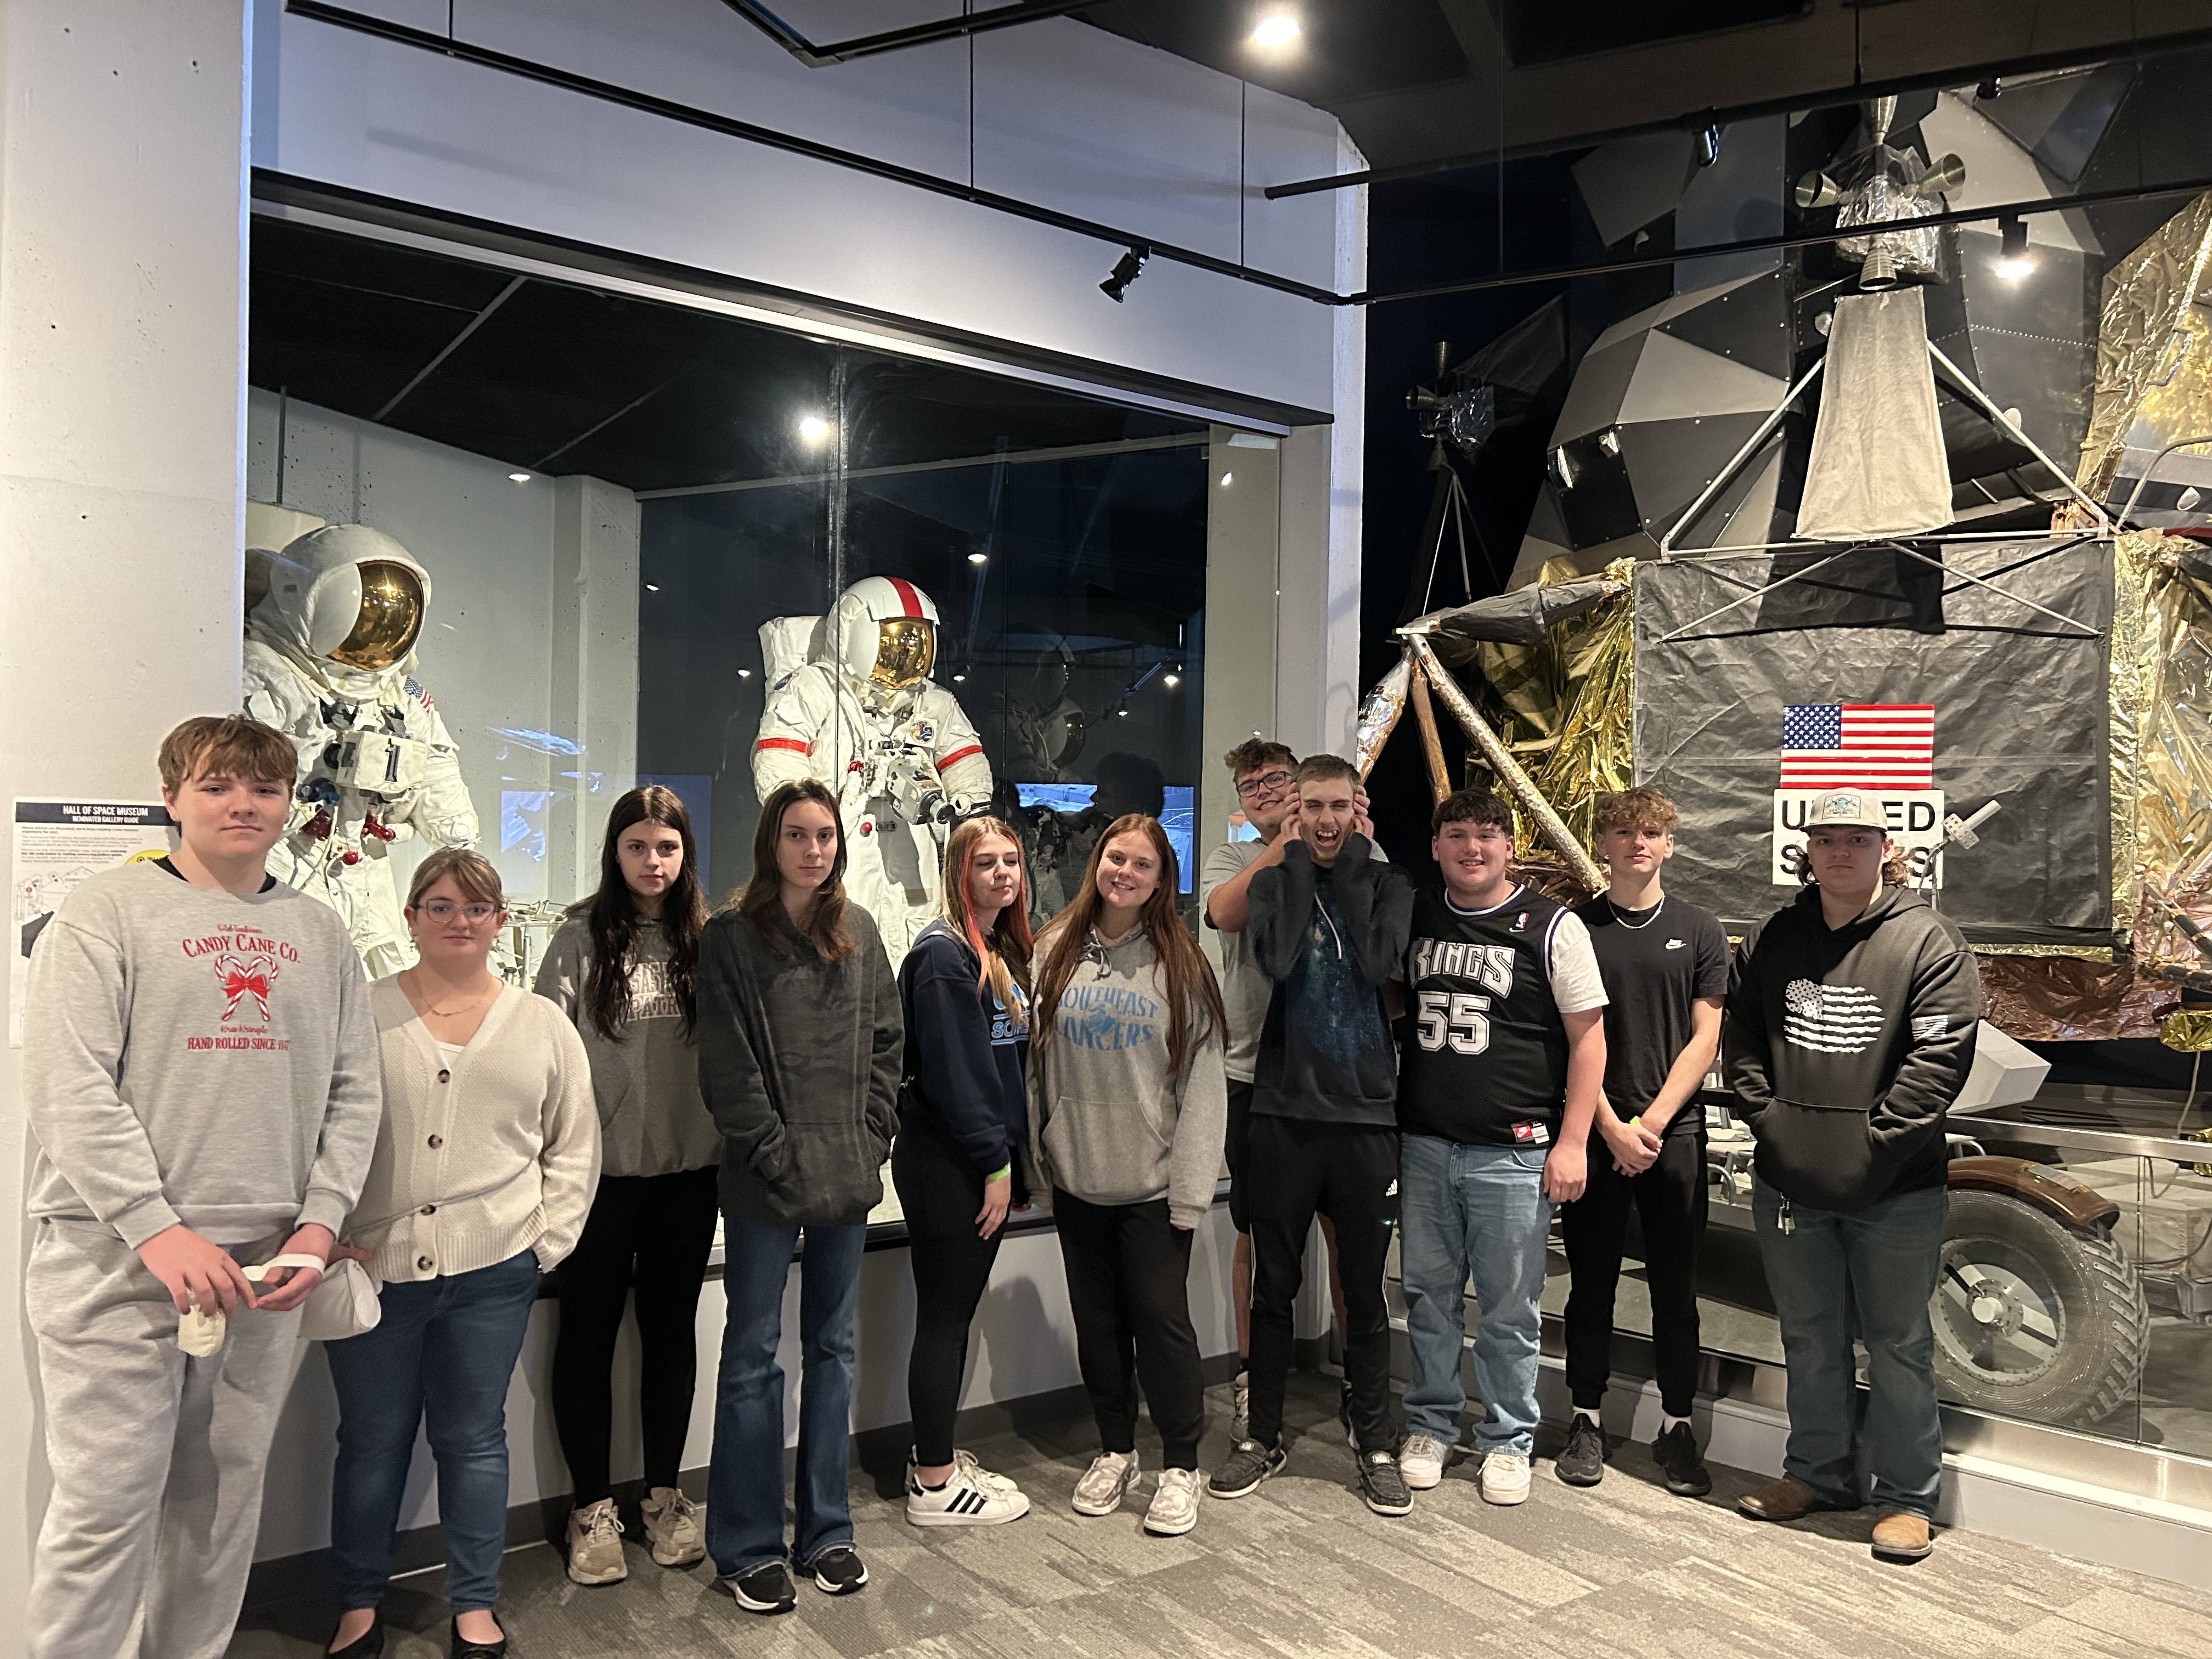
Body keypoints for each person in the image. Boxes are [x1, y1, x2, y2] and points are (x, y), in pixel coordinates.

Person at [21, 714, 381, 1659]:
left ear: (288, 804)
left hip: (266, 1264)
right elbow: (67, 1084)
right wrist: (155, 1227)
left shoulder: (319, 930)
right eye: (217, 784)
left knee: (219, 1504)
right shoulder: (107, 909)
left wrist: (320, 1224)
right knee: (104, 1508)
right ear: (173, 797)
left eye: (264, 788)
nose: (241, 804)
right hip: (116, 1260)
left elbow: (354, 1089)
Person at [324, 848, 601, 1658]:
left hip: (493, 1272)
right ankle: (357, 1605)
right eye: (439, 906)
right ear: (411, 918)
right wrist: (321, 1226)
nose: (459, 921)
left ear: (500, 921)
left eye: (476, 908)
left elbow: (575, 1143)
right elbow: (315, 1128)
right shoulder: (360, 1014)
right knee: (370, 1441)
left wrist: (546, 1244)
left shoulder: (541, 1025)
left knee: (475, 1439)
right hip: (373, 1272)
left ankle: (475, 1604)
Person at [1726, 789, 1980, 1564]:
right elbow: (1742, 1039)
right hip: (1790, 1183)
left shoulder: (1929, 941)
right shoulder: (1773, 937)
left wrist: (1875, 1148)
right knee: (1810, 1336)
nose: (1841, 851)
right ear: (1807, 849)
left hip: (1896, 1187)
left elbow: (1940, 1059)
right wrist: (1772, 1125)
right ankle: (1817, 1474)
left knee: (1899, 1344)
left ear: (1886, 848)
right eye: (1827, 838)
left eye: (1858, 838)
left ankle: (1907, 1499)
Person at [697, 779, 902, 1613]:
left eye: (825, 835)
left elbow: (888, 1044)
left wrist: (872, 1136)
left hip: (846, 1174)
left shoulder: (862, 932)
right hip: (763, 1181)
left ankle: (826, 1530)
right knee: (752, 1357)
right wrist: (773, 1152)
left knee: (834, 1351)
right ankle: (747, 1545)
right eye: (797, 835)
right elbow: (727, 1062)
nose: (813, 850)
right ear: (771, 843)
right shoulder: (730, 936)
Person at [1211, 755, 1414, 1517]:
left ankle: (1376, 1441)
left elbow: (1376, 961)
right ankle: (1261, 1436)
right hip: (1282, 1112)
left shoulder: (1392, 884)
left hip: (1365, 1116)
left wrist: (1354, 861)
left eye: (1339, 806)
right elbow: (1280, 958)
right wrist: (1296, 859)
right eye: (1312, 807)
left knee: (1364, 1292)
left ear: (1357, 809)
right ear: (1295, 811)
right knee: (1275, 1287)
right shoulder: (1272, 883)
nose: (1326, 820)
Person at [1394, 789, 1607, 1508]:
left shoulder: (1552, 926)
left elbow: (1589, 1041)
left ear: (1509, 847)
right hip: (1426, 1144)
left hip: (1514, 1153)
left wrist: (1573, 1141)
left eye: (1487, 835)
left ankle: (1509, 1436)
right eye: (1457, 835)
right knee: (1429, 1297)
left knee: (1511, 1308)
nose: (1473, 848)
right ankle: (1430, 1423)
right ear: (1435, 846)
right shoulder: (1415, 913)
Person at [534, 786, 719, 1583]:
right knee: (588, 1337)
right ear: (615, 852)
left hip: (689, 1173)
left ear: (686, 855)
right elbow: (542, 1055)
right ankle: (591, 1507)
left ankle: (665, 1495)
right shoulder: (578, 939)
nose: (653, 862)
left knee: (672, 1336)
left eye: (667, 848)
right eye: (638, 847)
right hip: (598, 1181)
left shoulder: (709, 940)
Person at [1025, 815, 1228, 1537]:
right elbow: (1035, 1072)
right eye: (1117, 858)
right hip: (1079, 1179)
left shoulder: (1184, 964)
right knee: (1099, 1325)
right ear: (1098, 862)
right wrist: (1041, 1167)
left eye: (1143, 865)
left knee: (1162, 1326)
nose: (1126, 873)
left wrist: (1191, 1194)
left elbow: (1204, 1087)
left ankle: (1181, 1463)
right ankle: (1116, 1450)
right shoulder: (1053, 949)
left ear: (1161, 878)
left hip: (1154, 1189)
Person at [1554, 787, 1728, 1495]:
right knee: (1590, 1285)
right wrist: (1608, 1126)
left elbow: (1706, 1038)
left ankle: (1677, 1426)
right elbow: (1566, 1039)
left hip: (1671, 1135)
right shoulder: (1574, 928)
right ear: (1602, 844)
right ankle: (1586, 1419)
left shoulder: (1700, 929)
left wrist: (1649, 1125)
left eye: (1652, 832)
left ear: (1670, 845)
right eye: (1625, 832)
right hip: (1595, 1134)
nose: (1638, 843)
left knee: (1675, 1291)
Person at [1199, 740, 1359, 1438]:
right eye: (1251, 785)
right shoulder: (1234, 856)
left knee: (1348, 1237)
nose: (1264, 791)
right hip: (1250, 1073)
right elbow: (1226, 913)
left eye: (1275, 780)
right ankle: (1249, 1376)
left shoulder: (1354, 847)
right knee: (1257, 1232)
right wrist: (1286, 842)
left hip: (1340, 1077)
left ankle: (1357, 1380)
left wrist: (1337, 837)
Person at [895, 815, 1037, 1527]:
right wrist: (995, 1165)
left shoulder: (995, 949)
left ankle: (936, 1455)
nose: (1003, 873)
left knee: (952, 1314)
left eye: (1011, 861)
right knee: (946, 1320)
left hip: (977, 1160)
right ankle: (935, 1483)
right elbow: (956, 1078)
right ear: (960, 872)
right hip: (951, 1163)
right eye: (986, 863)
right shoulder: (944, 958)